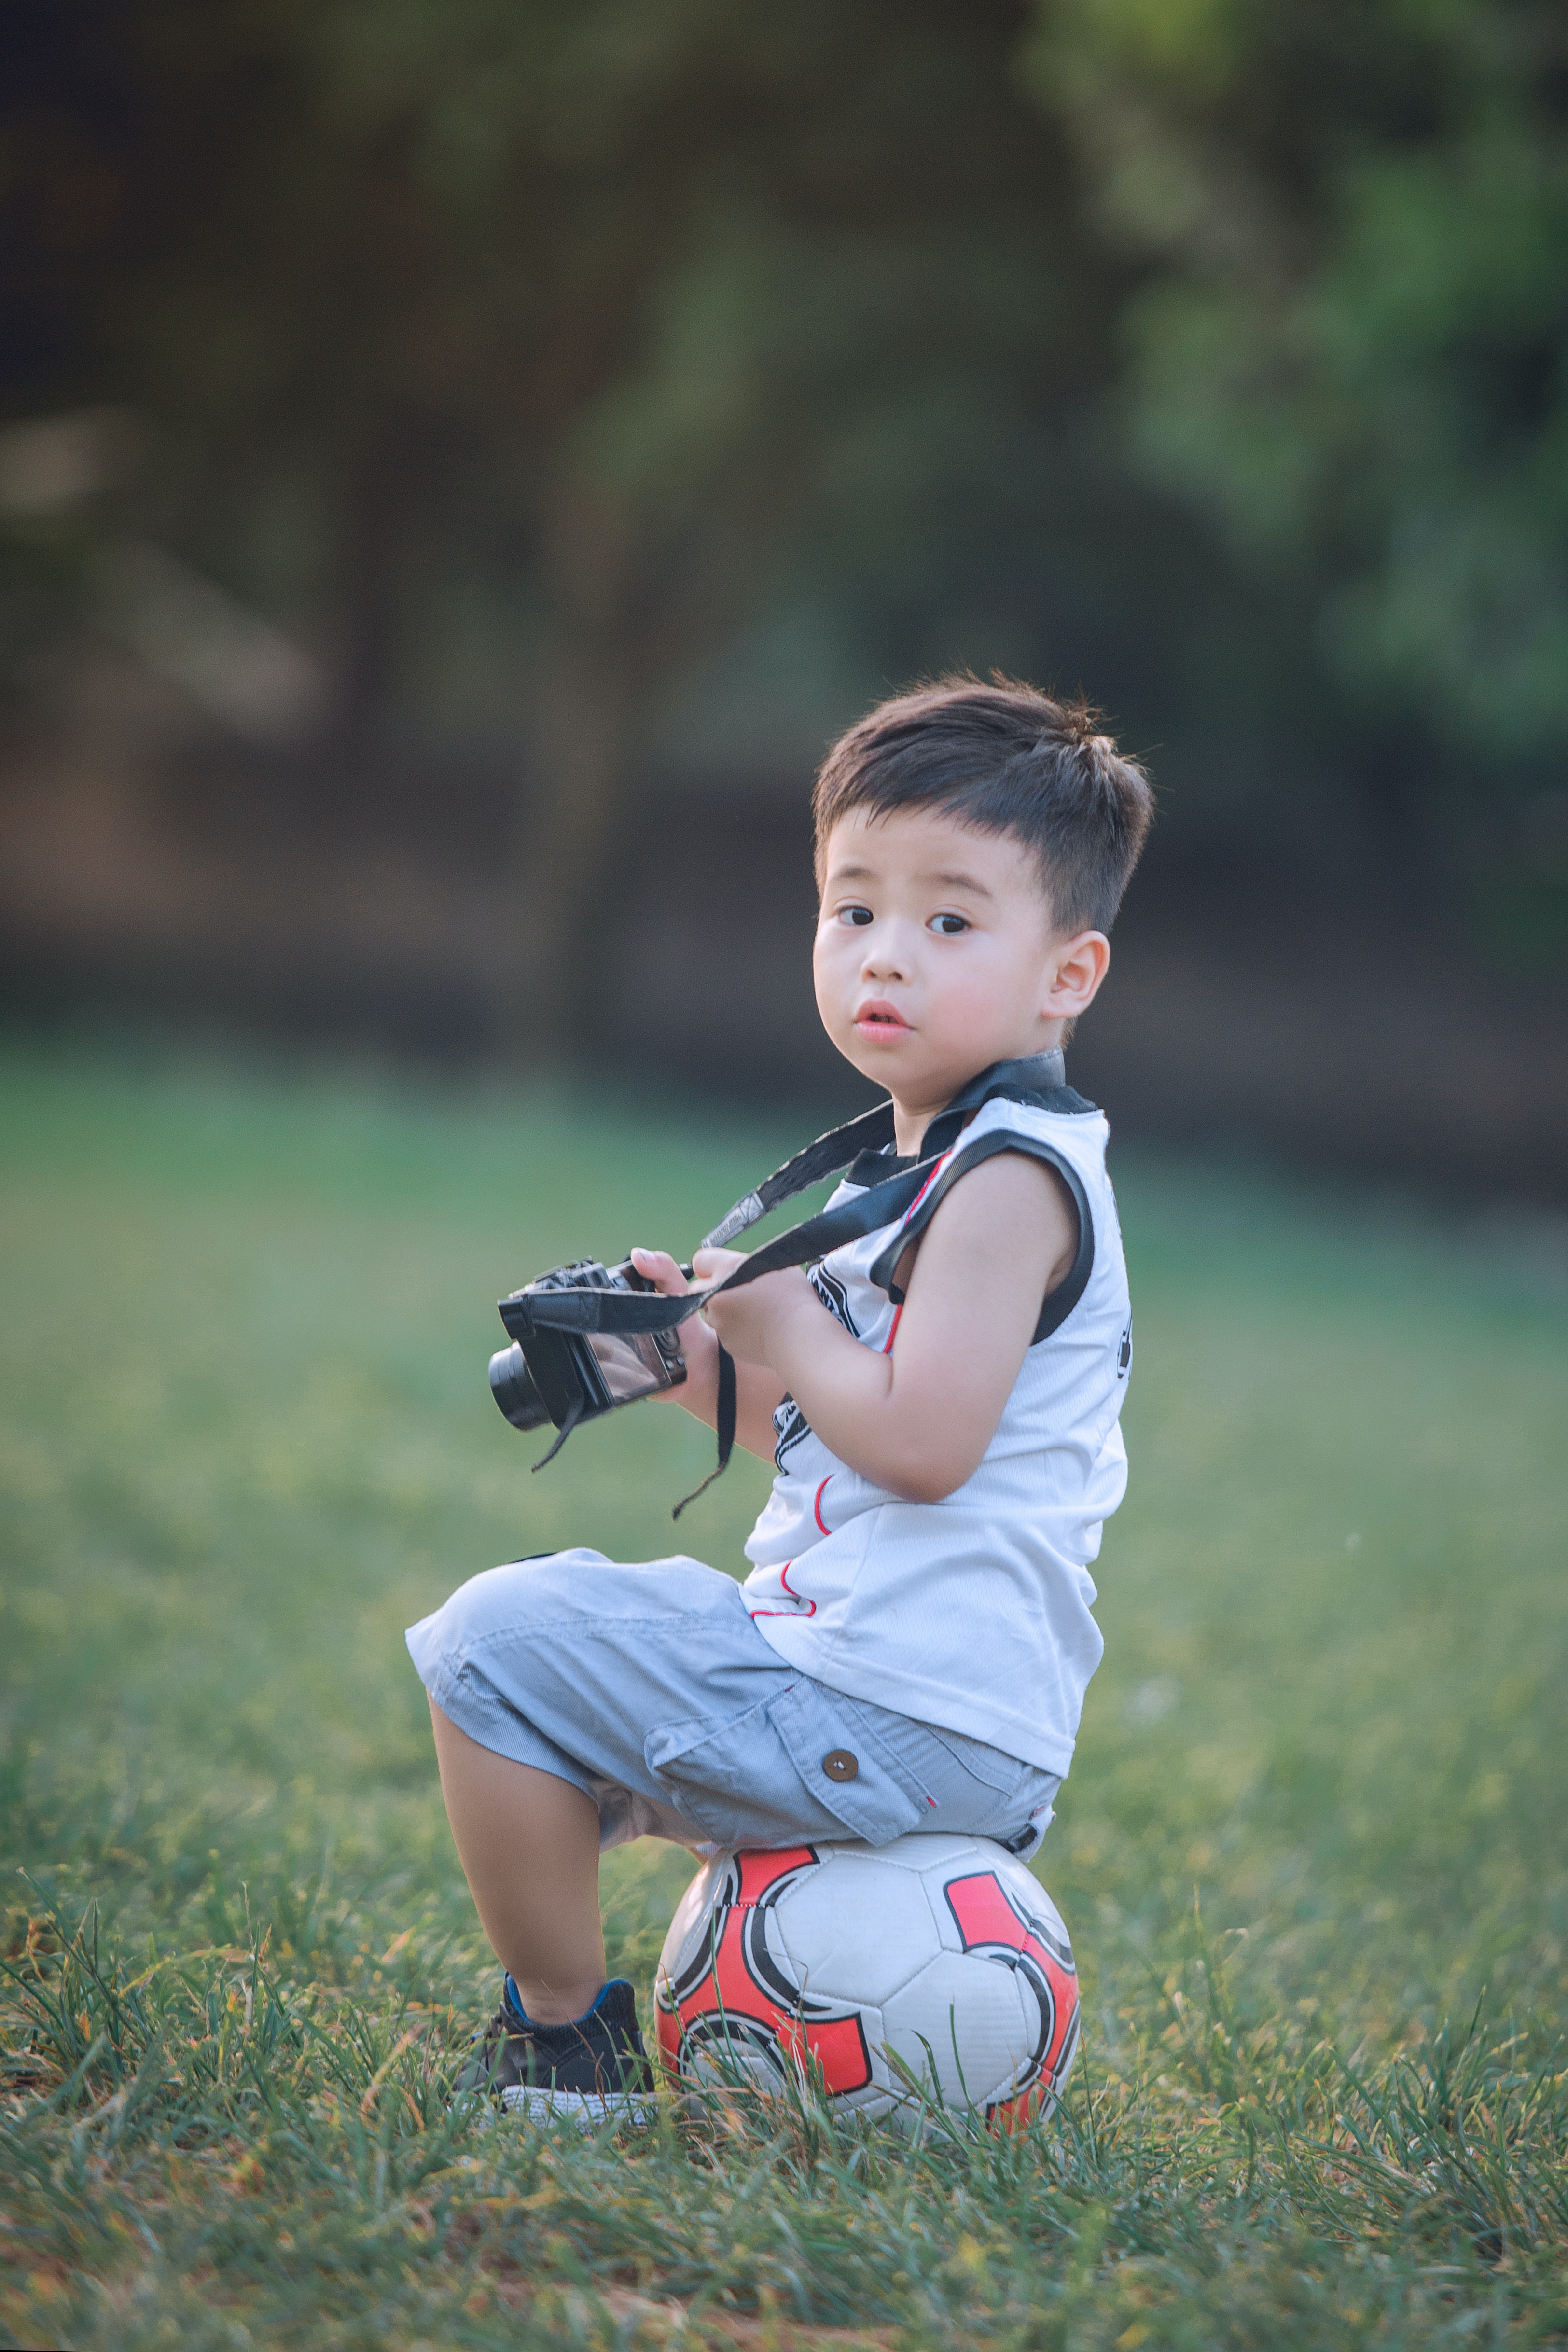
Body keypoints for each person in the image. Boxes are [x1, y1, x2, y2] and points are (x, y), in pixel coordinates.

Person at [406, 674, 1153, 2122]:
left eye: (948, 920)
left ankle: (565, 2046)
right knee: (557, 1657)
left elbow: (924, 1449)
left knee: (492, 1647)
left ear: (1067, 974)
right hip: (934, 1703)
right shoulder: (945, 1157)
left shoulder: (1007, 1179)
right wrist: (701, 1367)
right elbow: (851, 1438)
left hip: (889, 1697)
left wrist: (797, 1324)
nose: (887, 954)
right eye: (852, 907)